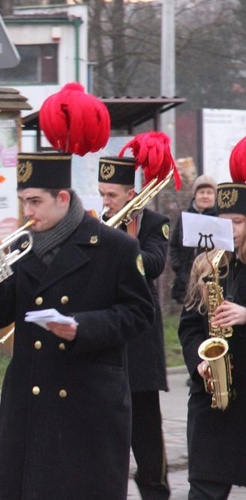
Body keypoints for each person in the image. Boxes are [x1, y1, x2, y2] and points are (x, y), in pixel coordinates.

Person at [0, 83, 155, 499]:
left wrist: (82, 328)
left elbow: (139, 314)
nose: (27, 212)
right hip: (31, 403)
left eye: (35, 202)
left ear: (62, 197)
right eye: (22, 201)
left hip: (87, 404)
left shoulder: (114, 246)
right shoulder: (18, 247)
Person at [98, 136, 175, 499]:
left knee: (147, 435)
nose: (105, 202)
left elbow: (154, 264)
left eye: (111, 195)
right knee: (107, 434)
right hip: (108, 339)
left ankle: (156, 492)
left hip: (141, 344)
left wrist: (120, 243)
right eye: (102, 194)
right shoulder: (98, 227)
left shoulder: (155, 223)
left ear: (131, 194)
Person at [178, 139, 246, 499]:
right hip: (213, 400)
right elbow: (189, 327)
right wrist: (200, 362)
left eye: (237, 221)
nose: (230, 230)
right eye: (223, 222)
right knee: (203, 490)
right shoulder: (207, 264)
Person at [170, 174, 218, 304]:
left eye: (209, 192)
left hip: (212, 279)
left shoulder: (220, 219)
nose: (205, 196)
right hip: (186, 278)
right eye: (201, 192)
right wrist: (178, 267)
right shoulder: (185, 218)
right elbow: (174, 245)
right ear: (195, 195)